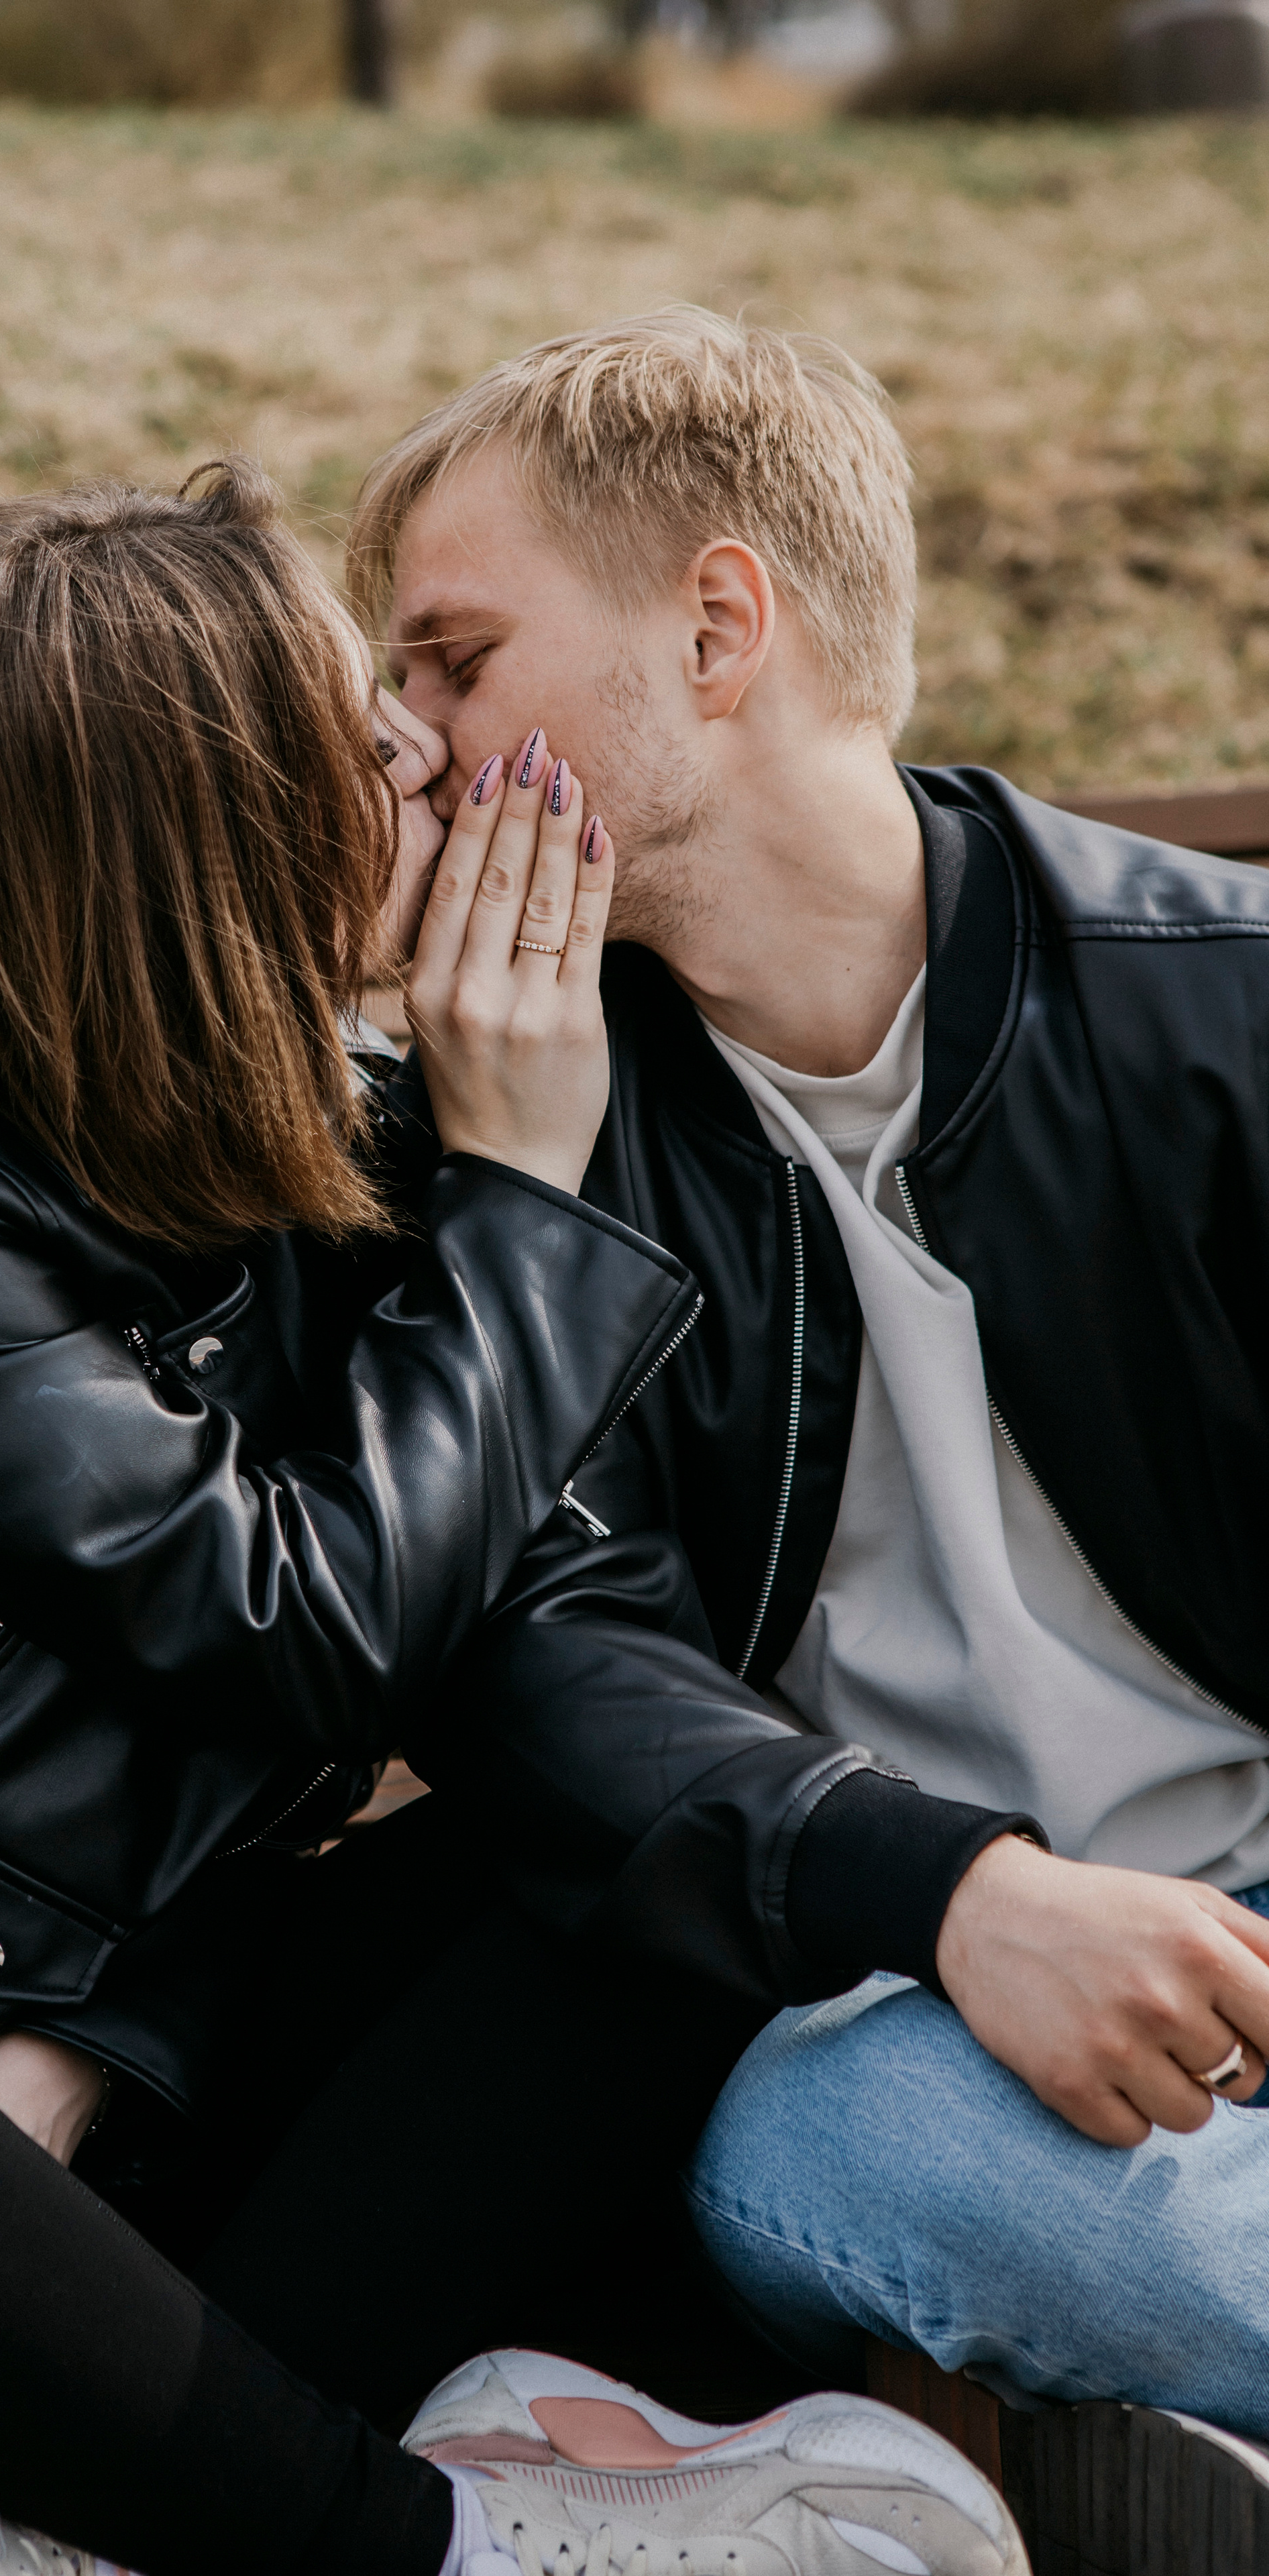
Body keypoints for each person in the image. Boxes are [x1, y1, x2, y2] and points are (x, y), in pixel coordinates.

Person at [0, 461, 1017, 2576]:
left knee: (648, 1866)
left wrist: (89, 2046)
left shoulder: (332, 1174)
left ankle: (28, 2520)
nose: (423, 751)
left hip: (85, 2209)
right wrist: (523, 1203)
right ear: (197, 830)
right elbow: (290, 1626)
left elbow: (561, 1653)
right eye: (361, 721)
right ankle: (402, 2548)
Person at [353, 307, 1269, 2474]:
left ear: (721, 627)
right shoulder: (502, 1139)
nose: (398, 749)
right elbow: (540, 1672)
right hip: (903, 2002)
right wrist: (966, 1895)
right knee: (849, 2154)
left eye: (451, 663)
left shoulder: (1219, 1016)